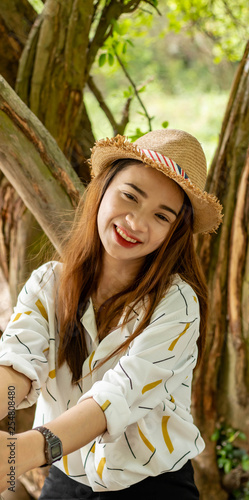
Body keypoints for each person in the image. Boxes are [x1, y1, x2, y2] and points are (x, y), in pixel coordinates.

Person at [0, 129, 223, 499]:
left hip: (154, 488)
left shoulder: (178, 304)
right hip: (66, 480)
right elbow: (18, 362)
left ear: (174, 233)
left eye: (161, 216)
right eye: (130, 196)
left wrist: (21, 452)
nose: (136, 222)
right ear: (103, 187)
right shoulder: (49, 283)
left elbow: (116, 399)